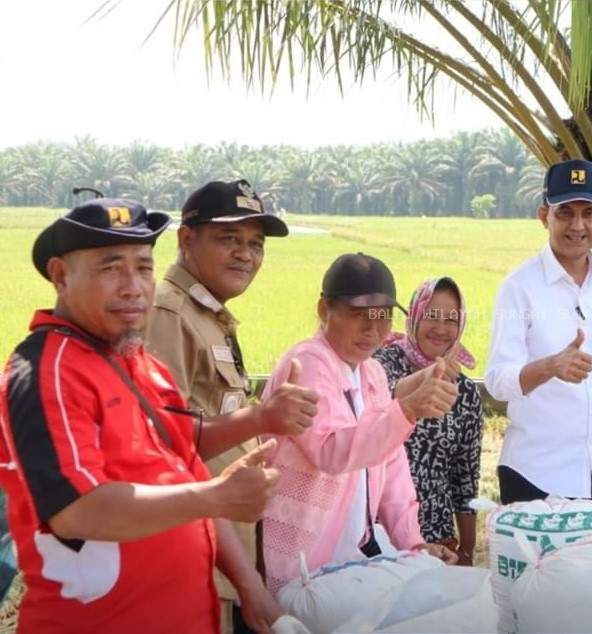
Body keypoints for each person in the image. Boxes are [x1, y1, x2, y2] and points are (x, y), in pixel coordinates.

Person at [0, 199, 282, 633]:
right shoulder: (45, 371)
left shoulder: (145, 367)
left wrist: (248, 584)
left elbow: (187, 468)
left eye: (144, 268)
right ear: (60, 276)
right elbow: (78, 510)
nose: (133, 286)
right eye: (111, 268)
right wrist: (215, 496)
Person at [145, 179, 316, 633]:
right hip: (194, 550)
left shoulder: (209, 314)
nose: (246, 254)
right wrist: (262, 417)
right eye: (229, 239)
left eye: (255, 244)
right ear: (186, 239)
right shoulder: (169, 314)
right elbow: (162, 446)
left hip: (224, 549)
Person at [260, 253, 459, 593]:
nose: (373, 330)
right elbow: (331, 451)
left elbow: (391, 462)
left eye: (382, 317)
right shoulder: (309, 362)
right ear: (325, 311)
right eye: (359, 316)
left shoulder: (372, 372)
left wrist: (412, 541)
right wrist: (406, 410)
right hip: (300, 560)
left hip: (347, 555)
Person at [485, 159, 592, 506]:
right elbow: (498, 381)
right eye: (565, 213)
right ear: (544, 216)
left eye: (588, 213)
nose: (577, 225)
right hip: (536, 476)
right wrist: (550, 367)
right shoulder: (519, 286)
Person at [374, 277, 484, 566]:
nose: (441, 329)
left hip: (437, 536)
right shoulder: (380, 363)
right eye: (432, 316)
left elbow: (465, 479)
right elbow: (379, 398)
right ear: (415, 316)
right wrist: (429, 376)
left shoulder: (466, 393)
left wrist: (467, 552)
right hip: (377, 532)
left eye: (451, 320)